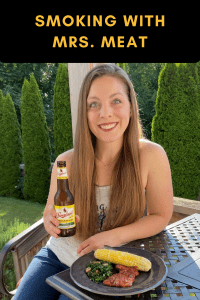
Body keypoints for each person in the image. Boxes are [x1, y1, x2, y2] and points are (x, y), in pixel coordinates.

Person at [13, 64, 173, 299]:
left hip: (108, 260)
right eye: (94, 104)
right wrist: (50, 221)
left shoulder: (151, 155)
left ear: (131, 105)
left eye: (116, 101)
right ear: (85, 112)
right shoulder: (65, 162)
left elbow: (160, 215)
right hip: (57, 256)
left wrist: (111, 237)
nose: (105, 113)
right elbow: (51, 211)